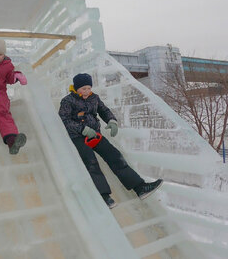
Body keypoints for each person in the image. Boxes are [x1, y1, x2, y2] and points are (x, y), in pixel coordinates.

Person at [58, 73, 163, 209]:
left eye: (89, 88)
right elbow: (64, 120)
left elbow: (104, 110)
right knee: (91, 163)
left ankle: (140, 187)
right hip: (78, 136)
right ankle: (104, 196)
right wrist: (82, 129)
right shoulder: (67, 101)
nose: (87, 91)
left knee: (115, 156)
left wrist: (112, 121)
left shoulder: (94, 98)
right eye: (84, 88)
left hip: (94, 135)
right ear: (76, 88)